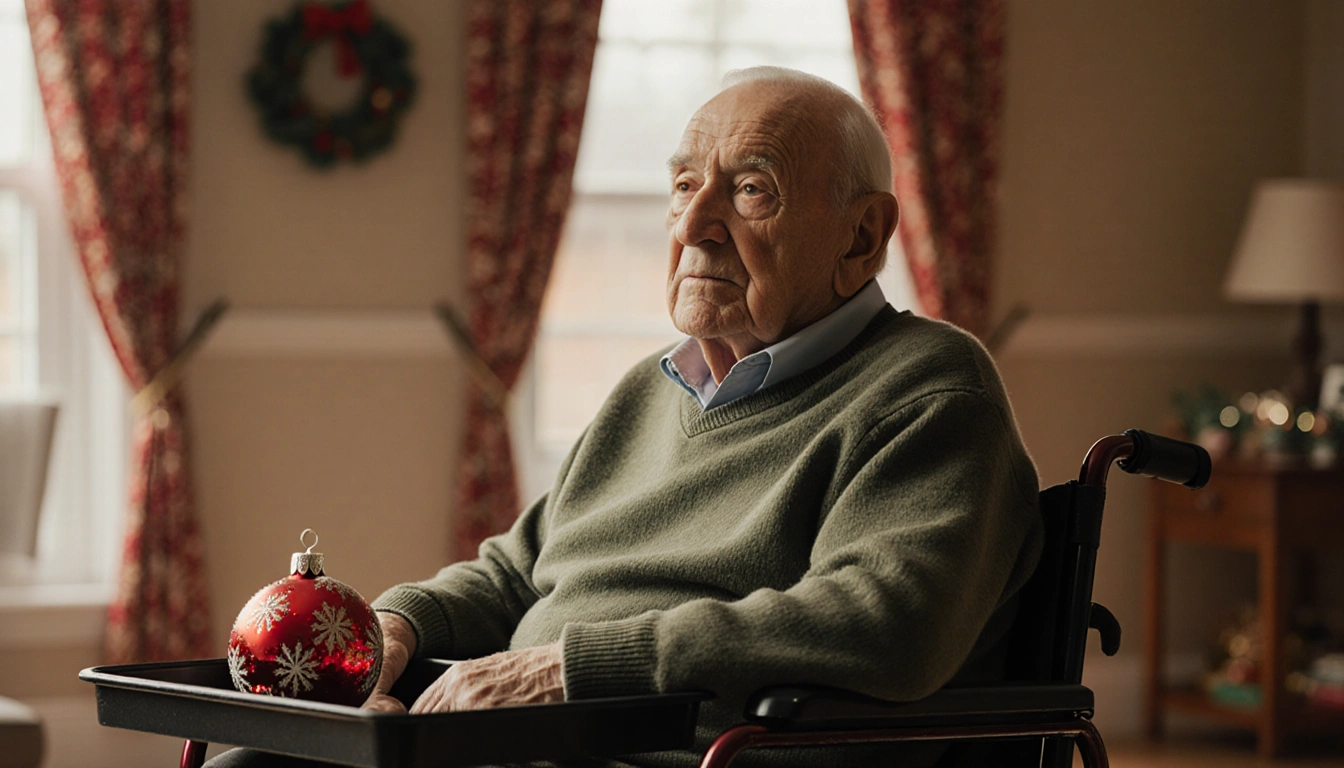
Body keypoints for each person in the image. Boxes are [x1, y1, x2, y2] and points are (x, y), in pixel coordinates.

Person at [207, 66, 1042, 768]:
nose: (693, 224)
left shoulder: (931, 392)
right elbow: (515, 572)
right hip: (524, 739)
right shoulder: (651, 390)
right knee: (257, 759)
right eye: (684, 186)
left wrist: (566, 672)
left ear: (863, 235)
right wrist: (394, 624)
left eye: (751, 190)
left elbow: (882, 622)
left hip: (662, 751)